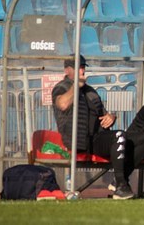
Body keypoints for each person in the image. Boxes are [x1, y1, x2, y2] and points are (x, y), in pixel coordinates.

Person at [51, 56, 132, 199]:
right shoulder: (61, 87)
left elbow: (103, 114)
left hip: (96, 138)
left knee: (126, 138)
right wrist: (76, 86)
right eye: (78, 67)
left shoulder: (90, 91)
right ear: (67, 70)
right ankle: (121, 184)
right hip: (75, 140)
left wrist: (111, 117)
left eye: (83, 67)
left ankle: (120, 183)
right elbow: (62, 104)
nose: (82, 71)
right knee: (120, 137)